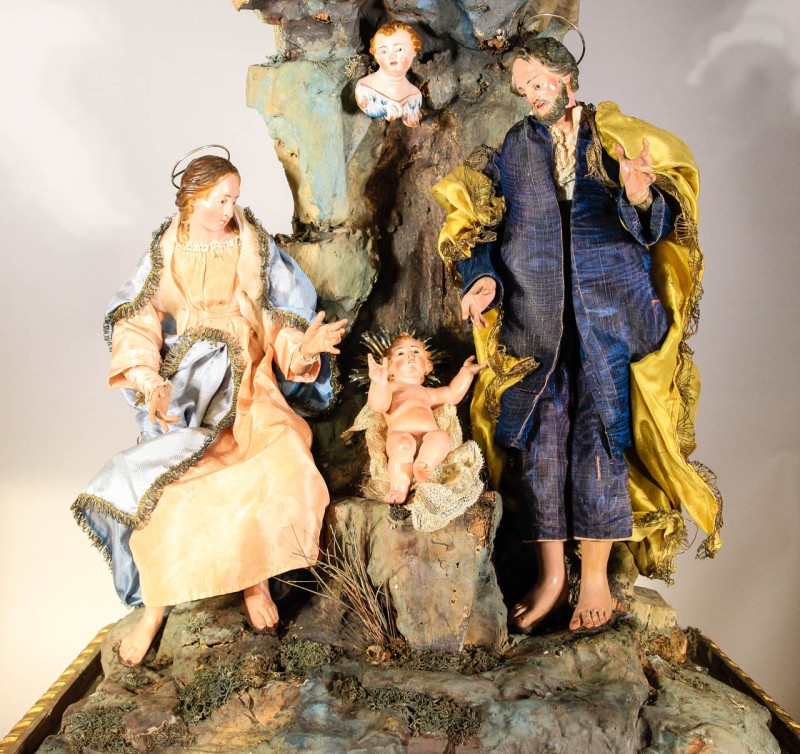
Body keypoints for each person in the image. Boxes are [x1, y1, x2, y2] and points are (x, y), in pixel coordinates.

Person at [433, 37, 721, 632]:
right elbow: (484, 223)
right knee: (540, 446)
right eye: (523, 89)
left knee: (601, 443)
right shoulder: (517, 147)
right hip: (536, 322)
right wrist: (482, 278)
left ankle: (593, 578)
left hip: (610, 320)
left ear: (567, 79)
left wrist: (640, 196)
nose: (531, 97)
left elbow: (657, 229)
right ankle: (551, 577)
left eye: (538, 83)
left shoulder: (613, 139)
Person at [73, 151, 346, 665]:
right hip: (189, 384)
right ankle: (156, 605)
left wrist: (302, 349)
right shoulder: (167, 247)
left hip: (248, 379)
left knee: (276, 460)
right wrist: (151, 381)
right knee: (167, 487)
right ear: (193, 199)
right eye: (221, 200)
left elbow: (277, 317)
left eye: (234, 199)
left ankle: (254, 582)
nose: (229, 210)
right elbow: (136, 321)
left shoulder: (252, 244)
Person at [366, 335, 484, 503]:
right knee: (401, 447)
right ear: (390, 368)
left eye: (416, 352)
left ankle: (424, 464)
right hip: (400, 433)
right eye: (400, 353)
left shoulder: (427, 392)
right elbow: (378, 406)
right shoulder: (391, 387)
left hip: (429, 434)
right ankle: (398, 488)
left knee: (442, 437)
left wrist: (467, 373)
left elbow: (451, 394)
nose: (410, 356)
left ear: (426, 366)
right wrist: (378, 382)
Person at [355, 23, 423, 127]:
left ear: (414, 50)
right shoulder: (365, 89)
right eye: (384, 51)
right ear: (376, 56)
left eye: (399, 49)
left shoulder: (414, 96)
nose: (392, 56)